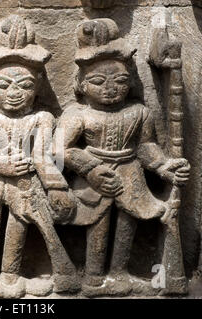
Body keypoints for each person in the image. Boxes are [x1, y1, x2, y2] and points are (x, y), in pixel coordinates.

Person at [55, 19, 190, 287]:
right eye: (98, 81)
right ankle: (94, 277)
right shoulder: (77, 115)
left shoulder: (138, 112)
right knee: (99, 224)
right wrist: (90, 170)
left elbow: (145, 146)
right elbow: (59, 150)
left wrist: (164, 166)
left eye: (120, 80)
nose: (110, 88)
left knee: (129, 222)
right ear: (81, 84)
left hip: (131, 173)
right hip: (96, 175)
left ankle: (119, 271)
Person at [0, 15, 79, 297]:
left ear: (37, 88)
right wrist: (0, 164)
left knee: (20, 222)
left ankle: (11, 275)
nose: (14, 94)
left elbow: (43, 157)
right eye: (4, 86)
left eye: (24, 86)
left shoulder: (42, 118)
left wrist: (55, 186)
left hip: (25, 187)